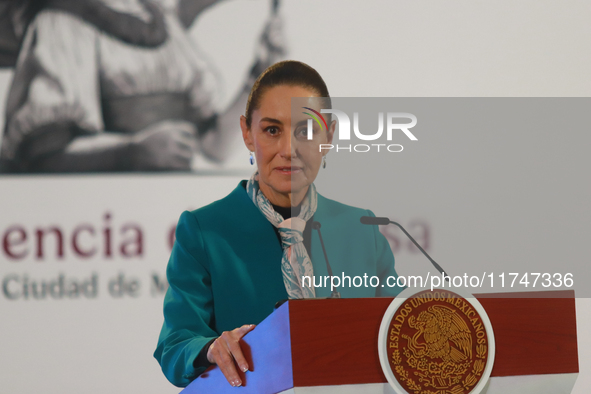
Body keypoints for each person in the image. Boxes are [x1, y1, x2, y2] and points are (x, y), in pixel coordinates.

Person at [154, 60, 404, 388]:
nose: (289, 149)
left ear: (328, 136)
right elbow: (174, 346)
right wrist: (211, 348)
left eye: (306, 131)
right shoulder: (204, 230)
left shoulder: (361, 229)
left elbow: (401, 332)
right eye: (272, 130)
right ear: (246, 133)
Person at [0, 0, 283, 172]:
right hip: (103, 226)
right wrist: (132, 152)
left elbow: (213, 147)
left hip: (167, 219)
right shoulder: (59, 22)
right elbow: (42, 156)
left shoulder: (163, 23)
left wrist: (259, 76)